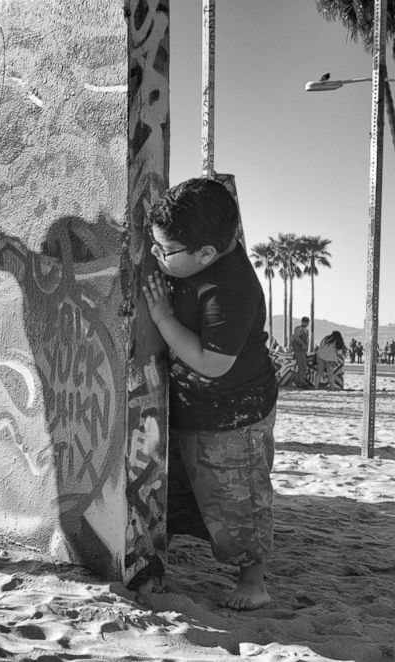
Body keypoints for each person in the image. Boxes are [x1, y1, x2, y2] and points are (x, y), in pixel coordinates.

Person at [141, 178, 278, 611]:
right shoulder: (196, 253)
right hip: (197, 407)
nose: (156, 256)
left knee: (239, 497)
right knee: (192, 485)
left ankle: (254, 582)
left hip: (234, 417)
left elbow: (213, 362)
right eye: (154, 244)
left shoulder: (230, 288)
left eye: (166, 251)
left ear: (205, 254)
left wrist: (162, 319)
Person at [290, 317, 311, 388]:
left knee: (302, 366)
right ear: (302, 322)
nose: (306, 324)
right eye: (305, 322)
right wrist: (303, 344)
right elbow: (296, 337)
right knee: (302, 366)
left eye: (307, 322)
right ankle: (301, 382)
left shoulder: (306, 331)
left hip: (302, 351)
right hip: (298, 350)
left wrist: (305, 348)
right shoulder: (298, 328)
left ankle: (299, 381)